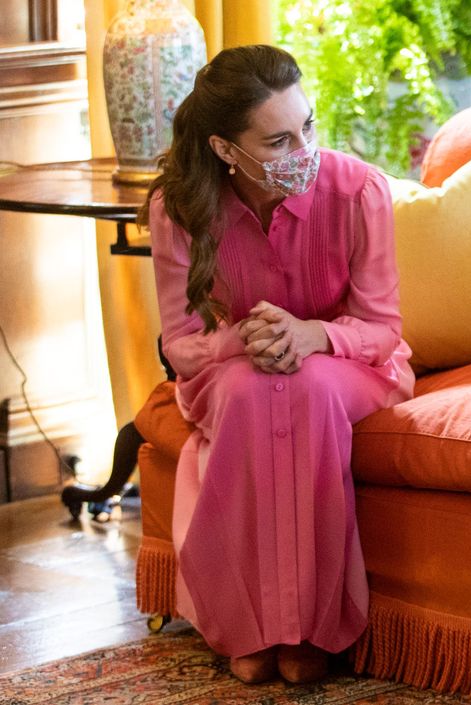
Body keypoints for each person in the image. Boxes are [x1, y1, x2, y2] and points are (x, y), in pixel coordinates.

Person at [138, 44, 414, 685]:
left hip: (346, 363)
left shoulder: (359, 190)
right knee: (247, 391)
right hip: (229, 367)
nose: (304, 152)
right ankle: (247, 624)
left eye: (308, 127)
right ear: (225, 150)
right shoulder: (177, 208)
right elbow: (180, 342)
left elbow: (381, 328)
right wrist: (244, 340)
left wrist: (312, 334)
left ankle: (309, 627)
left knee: (307, 387)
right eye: (279, 141)